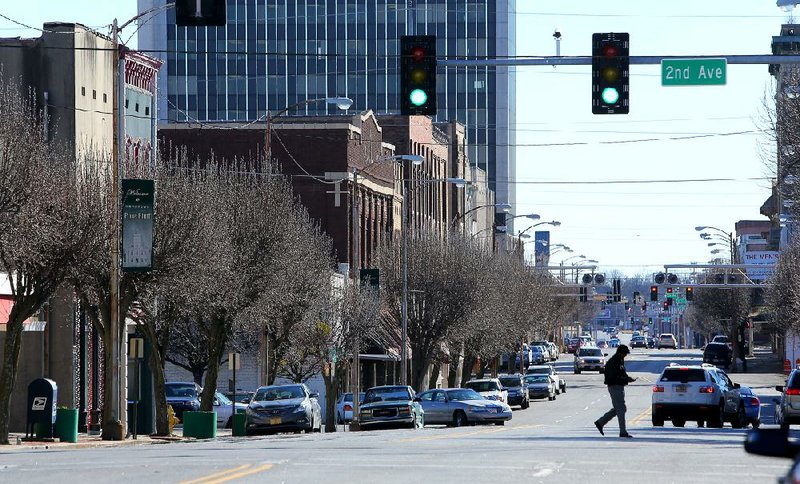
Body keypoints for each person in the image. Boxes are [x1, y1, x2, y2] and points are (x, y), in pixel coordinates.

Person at [594, 344, 636, 438]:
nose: (625, 355)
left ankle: (600, 422)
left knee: (619, 408)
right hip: (614, 386)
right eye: (625, 354)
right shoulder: (613, 362)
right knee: (621, 409)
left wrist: (628, 378)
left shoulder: (620, 360)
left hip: (619, 386)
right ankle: (623, 432)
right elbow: (613, 377)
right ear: (621, 353)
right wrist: (625, 379)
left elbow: (622, 373)